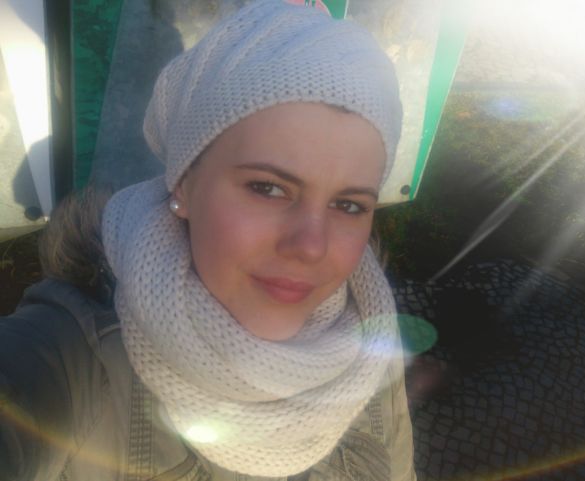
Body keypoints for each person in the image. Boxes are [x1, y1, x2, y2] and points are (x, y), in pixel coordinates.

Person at [0, 1, 416, 479]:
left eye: (349, 205)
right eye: (268, 188)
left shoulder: (367, 338)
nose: (310, 246)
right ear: (184, 185)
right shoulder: (73, 354)